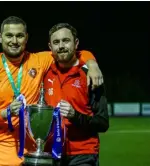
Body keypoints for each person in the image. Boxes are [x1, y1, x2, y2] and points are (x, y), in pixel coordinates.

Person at [0, 16, 104, 166]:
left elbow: (73, 52)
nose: (14, 41)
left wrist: (92, 64)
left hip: (31, 151)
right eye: (9, 35)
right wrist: (6, 112)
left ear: (26, 38)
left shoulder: (39, 61)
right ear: (0, 37)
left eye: (19, 36)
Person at [43, 23, 109, 166]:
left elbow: (103, 123)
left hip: (83, 154)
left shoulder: (91, 75)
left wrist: (75, 116)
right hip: (51, 153)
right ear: (50, 47)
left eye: (66, 40)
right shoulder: (44, 72)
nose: (61, 46)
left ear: (76, 43)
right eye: (56, 42)